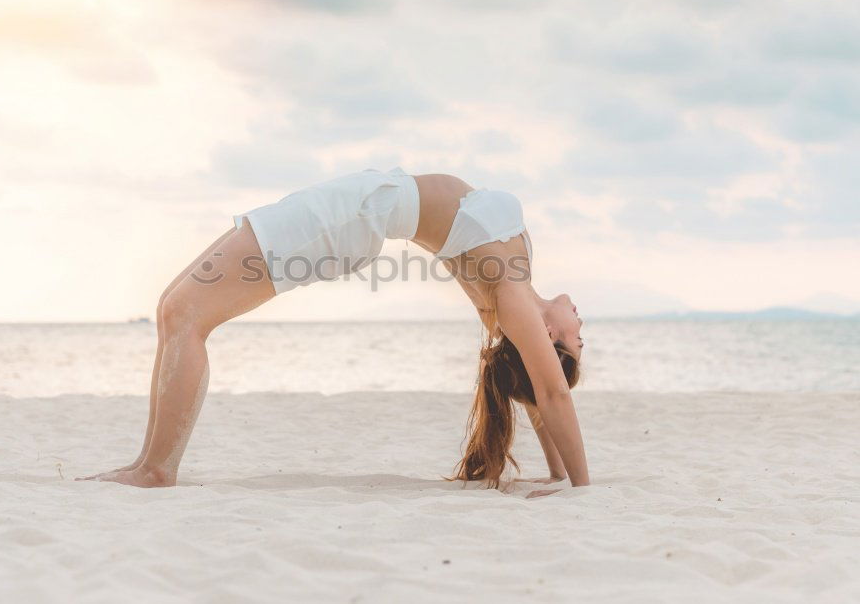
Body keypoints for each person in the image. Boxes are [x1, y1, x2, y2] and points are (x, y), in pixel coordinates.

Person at [78, 167, 588, 490]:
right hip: (352, 207)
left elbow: (550, 391)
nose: (582, 327)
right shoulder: (511, 300)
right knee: (173, 306)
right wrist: (559, 472)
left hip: (346, 217)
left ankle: (156, 470)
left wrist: (580, 487)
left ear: (547, 337)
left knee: (185, 314)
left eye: (577, 340)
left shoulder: (513, 294)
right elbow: (538, 389)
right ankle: (149, 462)